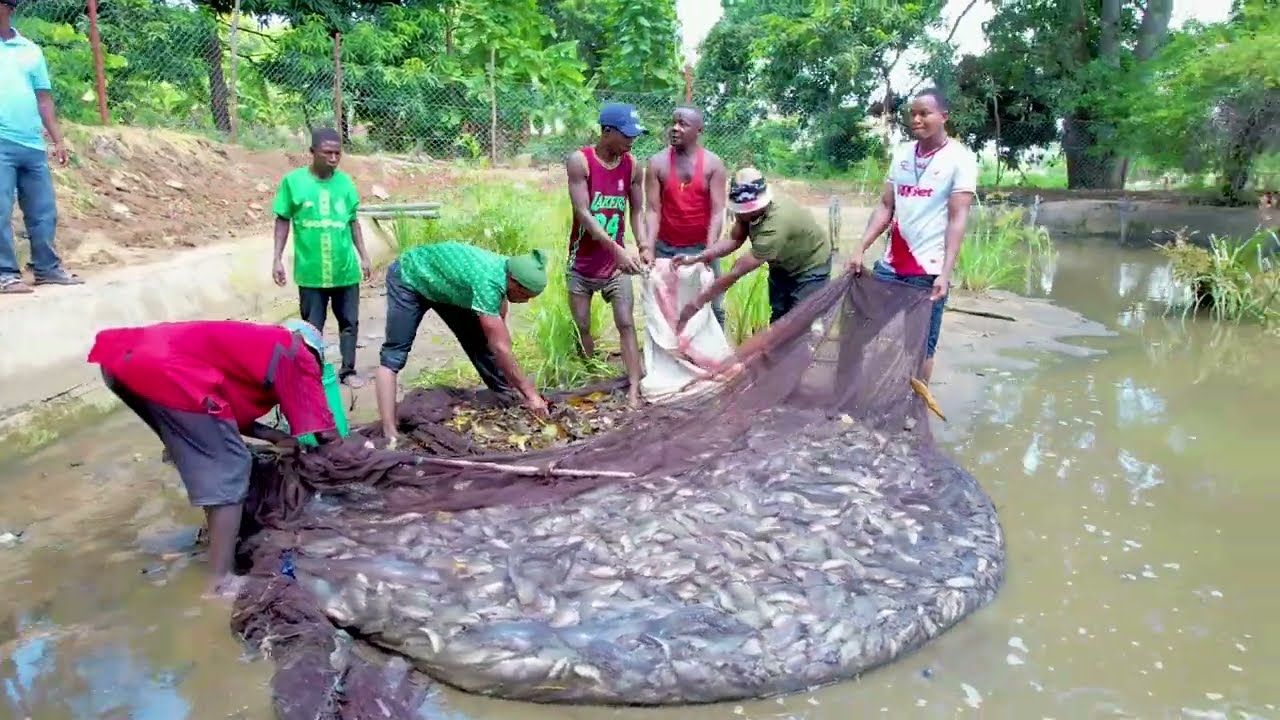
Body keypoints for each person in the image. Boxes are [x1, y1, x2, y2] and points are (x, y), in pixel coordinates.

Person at [87, 319, 339, 598]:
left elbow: (223, 411)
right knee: (232, 463)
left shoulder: (256, 345)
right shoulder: (297, 352)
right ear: (314, 352)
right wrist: (352, 453)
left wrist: (274, 436)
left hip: (119, 358)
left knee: (203, 453)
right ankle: (220, 581)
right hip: (162, 368)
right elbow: (323, 431)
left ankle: (216, 540)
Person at [847, 87, 977, 386]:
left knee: (918, 344)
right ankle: (850, 391)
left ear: (943, 117)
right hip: (891, 265)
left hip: (927, 270)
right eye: (913, 114)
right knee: (863, 326)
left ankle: (913, 406)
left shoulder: (960, 159)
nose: (916, 119)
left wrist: (945, 273)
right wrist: (860, 249)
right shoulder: (902, 154)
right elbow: (886, 205)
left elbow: (958, 219)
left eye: (925, 113)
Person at [375, 241, 550, 445]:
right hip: (410, 277)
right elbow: (501, 348)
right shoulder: (488, 282)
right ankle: (390, 432)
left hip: (444, 286)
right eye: (525, 296)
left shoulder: (505, 269)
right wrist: (531, 393)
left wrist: (518, 386)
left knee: (481, 344)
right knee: (394, 355)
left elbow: (499, 333)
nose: (526, 301)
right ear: (513, 282)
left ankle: (509, 399)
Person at [272, 127, 372, 388]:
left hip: (345, 270)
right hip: (311, 271)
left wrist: (364, 256)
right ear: (312, 152)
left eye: (338, 153)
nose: (334, 158)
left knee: (349, 322)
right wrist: (277, 258)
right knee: (312, 326)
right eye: (327, 152)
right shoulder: (293, 183)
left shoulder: (346, 184)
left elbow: (353, 222)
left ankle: (348, 370)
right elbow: (282, 220)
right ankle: (312, 374)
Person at [674, 167, 833, 329]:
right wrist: (700, 256)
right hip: (782, 266)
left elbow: (736, 271)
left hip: (811, 266)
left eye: (749, 211)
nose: (743, 215)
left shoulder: (775, 225)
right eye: (741, 211)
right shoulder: (748, 212)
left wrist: (696, 303)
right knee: (779, 317)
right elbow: (734, 238)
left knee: (800, 323)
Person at [565, 102, 647, 407]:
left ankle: (635, 387)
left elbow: (637, 211)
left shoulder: (633, 166)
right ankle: (589, 376)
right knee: (582, 325)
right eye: (626, 135)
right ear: (607, 132)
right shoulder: (581, 162)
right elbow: (583, 213)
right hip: (582, 263)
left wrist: (643, 245)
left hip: (615, 268)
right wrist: (616, 248)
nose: (631, 140)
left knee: (626, 321)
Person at [0, 0, 82, 294]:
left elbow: (43, 98)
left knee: (43, 210)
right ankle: (5, 274)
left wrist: (57, 139)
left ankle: (46, 268)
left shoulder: (30, 51)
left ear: (8, 7)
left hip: (31, 142)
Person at [644, 105, 729, 326]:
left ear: (699, 130)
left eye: (683, 124)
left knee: (713, 307)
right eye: (673, 123)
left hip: (702, 247)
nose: (675, 128)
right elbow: (652, 210)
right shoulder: (657, 163)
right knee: (665, 308)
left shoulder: (713, 164)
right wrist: (649, 248)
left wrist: (710, 250)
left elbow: (718, 210)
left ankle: (712, 359)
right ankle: (671, 357)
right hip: (666, 248)